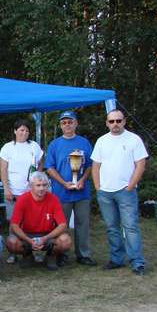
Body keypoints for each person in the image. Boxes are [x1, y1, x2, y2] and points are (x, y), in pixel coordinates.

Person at [91, 109, 148, 276]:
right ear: (107, 123)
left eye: (118, 120)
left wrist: (130, 186)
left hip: (125, 192)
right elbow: (95, 165)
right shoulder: (102, 141)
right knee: (112, 227)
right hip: (105, 192)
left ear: (124, 121)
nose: (115, 124)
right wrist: (98, 187)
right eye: (111, 121)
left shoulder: (134, 139)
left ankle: (137, 262)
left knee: (130, 227)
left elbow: (141, 164)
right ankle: (116, 259)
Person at [45, 111, 96, 266]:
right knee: (61, 225)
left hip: (82, 191)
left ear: (76, 123)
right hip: (62, 192)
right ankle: (61, 253)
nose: (67, 125)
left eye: (70, 121)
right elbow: (49, 168)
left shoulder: (84, 143)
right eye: (64, 122)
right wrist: (63, 183)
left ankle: (83, 254)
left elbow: (90, 165)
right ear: (60, 125)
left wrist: (82, 180)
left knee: (83, 224)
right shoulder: (54, 144)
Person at [0, 119, 43, 263]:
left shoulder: (34, 146)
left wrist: (37, 183)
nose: (24, 133)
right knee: (13, 222)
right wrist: (6, 189)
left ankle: (34, 250)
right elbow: (3, 170)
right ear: (15, 131)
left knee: (31, 222)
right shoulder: (8, 147)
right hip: (13, 192)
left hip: (31, 193)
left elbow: (40, 163)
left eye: (26, 130)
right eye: (21, 130)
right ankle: (13, 252)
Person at [6, 171, 72, 270]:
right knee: (11, 242)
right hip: (27, 235)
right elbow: (14, 225)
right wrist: (28, 240)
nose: (42, 188)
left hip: (48, 235)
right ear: (31, 186)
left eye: (44, 185)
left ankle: (51, 256)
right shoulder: (22, 199)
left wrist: (45, 238)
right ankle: (27, 255)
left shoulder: (53, 199)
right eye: (38, 185)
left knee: (65, 241)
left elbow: (62, 225)